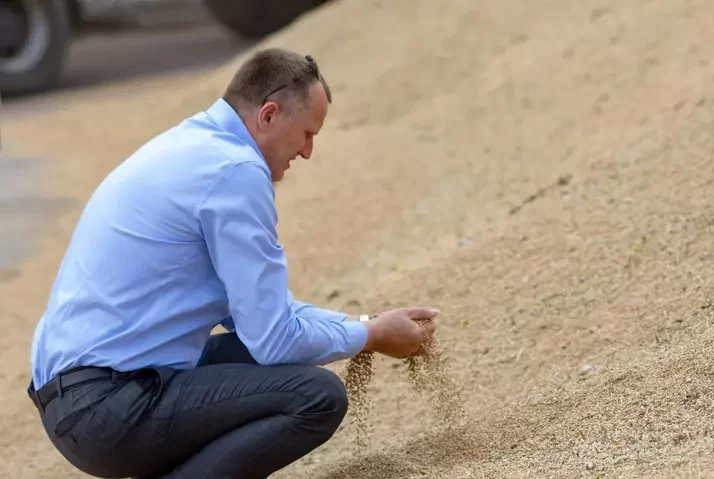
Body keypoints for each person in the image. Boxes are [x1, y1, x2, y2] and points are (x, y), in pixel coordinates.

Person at [26, 48, 439, 479]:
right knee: (317, 396)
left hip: (82, 399)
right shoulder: (235, 170)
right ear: (269, 115)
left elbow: (265, 322)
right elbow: (276, 340)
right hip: (106, 408)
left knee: (261, 357)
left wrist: (365, 326)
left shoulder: (194, 147)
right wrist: (372, 334)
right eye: (306, 133)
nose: (308, 151)